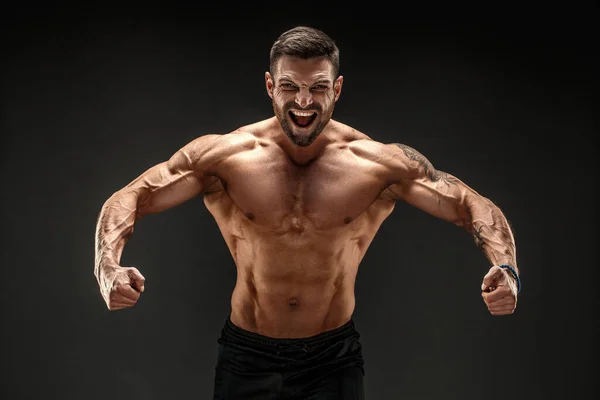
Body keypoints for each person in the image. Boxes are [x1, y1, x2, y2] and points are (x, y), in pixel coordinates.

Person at [94, 26, 520, 399]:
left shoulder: (378, 164)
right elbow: (134, 195)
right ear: (269, 86)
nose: (303, 101)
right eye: (289, 87)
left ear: (336, 89)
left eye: (317, 87)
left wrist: (507, 268)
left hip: (333, 359)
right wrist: (107, 267)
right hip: (246, 355)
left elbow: (469, 202)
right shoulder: (225, 157)